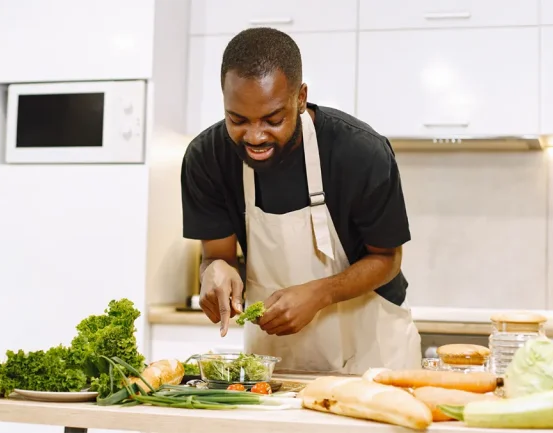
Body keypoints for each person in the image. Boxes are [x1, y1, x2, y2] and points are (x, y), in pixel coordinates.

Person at [180, 27, 421, 374]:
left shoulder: (360, 152)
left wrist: (320, 294)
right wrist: (215, 271)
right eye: (237, 120)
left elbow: (387, 259)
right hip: (277, 356)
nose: (255, 136)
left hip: (373, 353)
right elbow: (217, 257)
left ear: (301, 97)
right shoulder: (207, 158)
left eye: (273, 120)